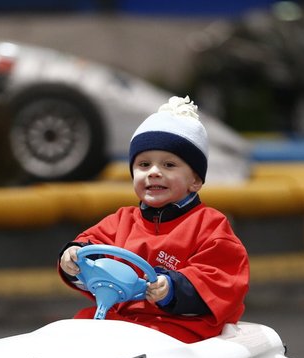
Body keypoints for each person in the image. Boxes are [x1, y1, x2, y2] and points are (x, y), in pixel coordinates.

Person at [58, 96, 249, 343]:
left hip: (179, 329)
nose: (154, 172)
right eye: (144, 164)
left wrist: (173, 288)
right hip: (122, 322)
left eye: (169, 165)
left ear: (196, 181)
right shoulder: (121, 220)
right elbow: (91, 243)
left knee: (149, 353)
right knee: (67, 334)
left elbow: (221, 279)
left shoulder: (210, 226)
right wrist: (74, 257)